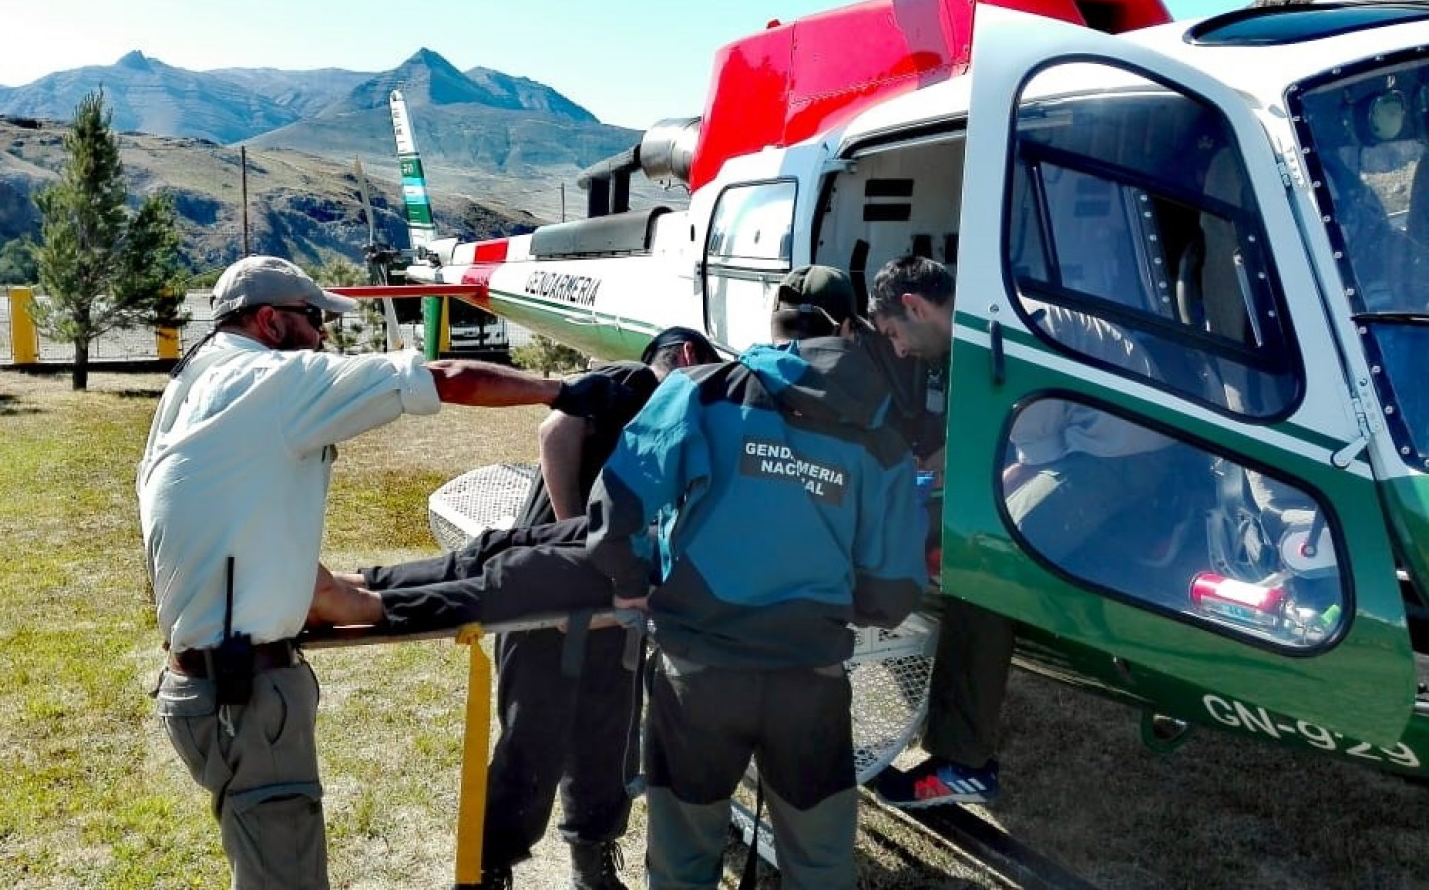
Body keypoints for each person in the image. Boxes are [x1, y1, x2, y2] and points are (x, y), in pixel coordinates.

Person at [139, 254, 626, 889]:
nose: (323, 338)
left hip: (210, 684)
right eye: (314, 322)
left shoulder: (191, 385)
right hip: (244, 696)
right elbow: (443, 376)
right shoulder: (269, 379)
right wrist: (559, 391)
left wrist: (326, 589)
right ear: (270, 322)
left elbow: (221, 517)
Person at [584, 265, 930, 889]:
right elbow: (893, 591)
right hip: (811, 683)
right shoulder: (882, 436)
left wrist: (633, 580)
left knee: (684, 861)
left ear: (774, 324)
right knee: (820, 862)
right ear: (850, 329)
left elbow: (616, 506)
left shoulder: (699, 390)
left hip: (698, 674)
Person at [347, 326, 719, 889]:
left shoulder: (680, 419)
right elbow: (555, 430)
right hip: (543, 593)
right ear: (689, 355)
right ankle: (491, 866)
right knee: (532, 736)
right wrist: (579, 534)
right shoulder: (635, 382)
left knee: (609, 734)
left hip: (609, 601)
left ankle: (591, 858)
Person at [864, 255, 1174, 808]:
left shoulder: (1001, 334)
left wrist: (937, 481)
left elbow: (1011, 459)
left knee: (986, 558)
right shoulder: (995, 316)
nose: (898, 349)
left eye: (893, 333)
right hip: (1089, 449)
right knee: (972, 520)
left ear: (914, 307)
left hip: (1122, 457)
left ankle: (965, 764)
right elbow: (1016, 456)